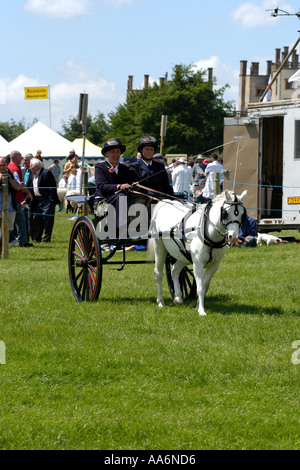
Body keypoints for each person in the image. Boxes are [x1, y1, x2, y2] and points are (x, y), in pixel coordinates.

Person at [94, 138, 135, 237]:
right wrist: (119, 186)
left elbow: (129, 183)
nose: (116, 155)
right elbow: (102, 186)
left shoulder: (125, 168)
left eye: (118, 152)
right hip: (104, 200)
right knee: (121, 197)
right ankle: (118, 232)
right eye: (112, 152)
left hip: (121, 200)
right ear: (106, 154)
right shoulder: (100, 167)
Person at [27, 158, 60, 243]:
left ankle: (46, 238)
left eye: (31, 166)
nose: (29, 167)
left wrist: (51, 200)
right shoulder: (32, 174)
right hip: (36, 200)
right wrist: (26, 199)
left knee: (47, 220)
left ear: (36, 167)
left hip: (46, 200)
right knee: (36, 219)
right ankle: (36, 238)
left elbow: (52, 187)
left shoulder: (46, 173)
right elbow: (29, 188)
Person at [8, 150, 33, 247]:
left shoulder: (9, 167)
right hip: (17, 199)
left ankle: (13, 240)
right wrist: (28, 192)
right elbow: (21, 184)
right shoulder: (16, 169)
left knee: (13, 222)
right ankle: (22, 242)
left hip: (11, 200)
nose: (22, 160)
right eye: (21, 157)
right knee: (21, 221)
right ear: (17, 158)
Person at [0, 157, 23, 257]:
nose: (1, 167)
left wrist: (8, 179)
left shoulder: (13, 174)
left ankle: (3, 251)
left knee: (7, 231)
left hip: (10, 208)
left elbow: (18, 187)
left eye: (3, 165)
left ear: (7, 164)